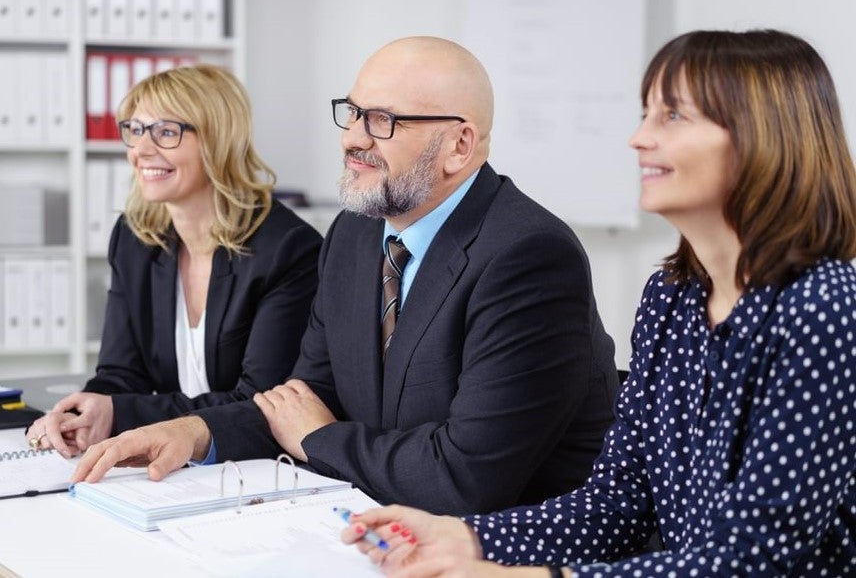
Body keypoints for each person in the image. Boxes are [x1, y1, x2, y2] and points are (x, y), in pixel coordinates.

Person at [340, 29, 856, 577]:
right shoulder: (672, 299)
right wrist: (464, 537)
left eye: (672, 117)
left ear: (764, 138)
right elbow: (617, 503)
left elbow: (753, 559)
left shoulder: (825, 310)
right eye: (645, 114)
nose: (637, 138)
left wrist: (534, 577)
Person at [71, 37, 619, 516]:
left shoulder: (528, 256)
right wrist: (195, 433)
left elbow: (463, 477)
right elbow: (305, 395)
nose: (352, 138)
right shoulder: (355, 234)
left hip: (499, 548)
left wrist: (319, 437)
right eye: (352, 113)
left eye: (381, 121)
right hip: (373, 522)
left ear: (459, 145)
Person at [26, 65, 322, 458]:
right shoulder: (134, 238)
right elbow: (121, 374)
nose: (141, 150)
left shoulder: (287, 249)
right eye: (135, 130)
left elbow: (258, 402)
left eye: (166, 132)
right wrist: (88, 409)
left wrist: (120, 413)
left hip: (250, 464)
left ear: (218, 141)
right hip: (173, 464)